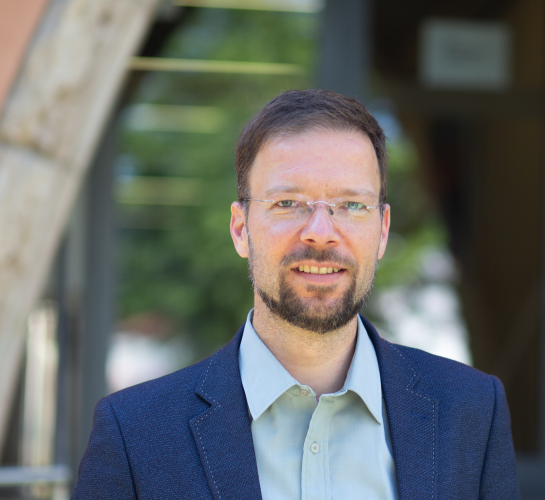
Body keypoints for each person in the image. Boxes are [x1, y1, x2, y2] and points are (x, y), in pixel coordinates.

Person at [72, 89, 519, 499]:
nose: (321, 233)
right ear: (240, 228)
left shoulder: (472, 414)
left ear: (382, 231)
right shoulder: (136, 436)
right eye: (288, 203)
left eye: (350, 205)